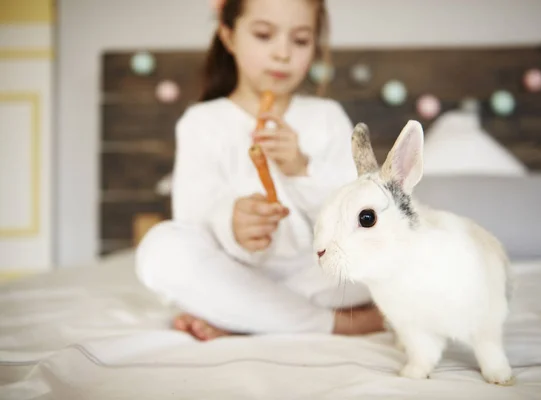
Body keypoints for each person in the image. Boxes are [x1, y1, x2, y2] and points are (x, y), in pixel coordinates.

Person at [135, 0, 385, 341]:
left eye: (300, 40)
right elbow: (192, 221)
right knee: (159, 250)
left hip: (316, 272)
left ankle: (242, 315)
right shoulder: (201, 122)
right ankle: (341, 323)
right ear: (228, 35)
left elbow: (358, 216)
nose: (282, 53)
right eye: (264, 35)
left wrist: (301, 168)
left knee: (381, 254)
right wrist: (232, 225)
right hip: (234, 272)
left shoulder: (325, 117)